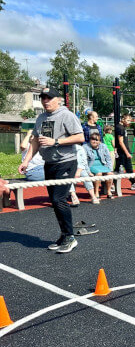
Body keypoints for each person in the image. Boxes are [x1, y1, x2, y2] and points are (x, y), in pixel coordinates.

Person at [18, 86, 84, 253]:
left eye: (49, 98)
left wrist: (56, 141)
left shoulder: (66, 115)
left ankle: (70, 237)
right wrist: (26, 161)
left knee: (58, 199)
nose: (45, 101)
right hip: (49, 163)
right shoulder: (41, 118)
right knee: (55, 201)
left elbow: (80, 137)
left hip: (66, 162)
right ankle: (64, 235)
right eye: (43, 98)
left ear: (58, 100)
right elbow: (35, 141)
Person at [83, 133, 114, 200]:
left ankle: (109, 191)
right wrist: (88, 172)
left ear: (100, 141)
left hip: (102, 165)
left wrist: (110, 169)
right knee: (99, 173)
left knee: (110, 174)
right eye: (93, 139)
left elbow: (108, 158)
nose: (94, 141)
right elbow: (84, 161)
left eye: (96, 140)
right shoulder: (85, 147)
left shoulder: (104, 146)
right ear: (90, 140)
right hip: (91, 166)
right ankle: (96, 192)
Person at [115, 114, 135, 190]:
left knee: (118, 168)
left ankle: (111, 184)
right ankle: (133, 183)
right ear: (123, 119)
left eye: (130, 120)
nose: (129, 122)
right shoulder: (120, 128)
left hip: (123, 151)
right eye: (128, 120)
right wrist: (127, 153)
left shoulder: (123, 127)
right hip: (123, 152)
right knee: (128, 167)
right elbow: (120, 142)